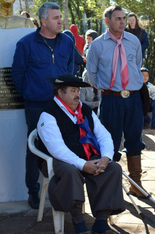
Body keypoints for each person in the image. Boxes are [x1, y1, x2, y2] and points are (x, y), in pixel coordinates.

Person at [37, 74, 125, 234]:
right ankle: (78, 223)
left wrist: (106, 158)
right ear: (60, 93)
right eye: (72, 91)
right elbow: (56, 149)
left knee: (113, 169)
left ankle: (101, 222)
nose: (77, 94)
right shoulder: (48, 114)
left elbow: (103, 135)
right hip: (59, 160)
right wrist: (83, 165)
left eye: (77, 90)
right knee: (71, 173)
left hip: (87, 156)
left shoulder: (85, 110)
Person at [11, 2, 74, 209]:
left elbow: (70, 71)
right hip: (36, 105)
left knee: (66, 144)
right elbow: (18, 75)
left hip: (62, 105)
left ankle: (64, 190)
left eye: (60, 17)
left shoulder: (66, 42)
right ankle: (33, 191)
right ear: (43, 21)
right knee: (35, 146)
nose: (60, 21)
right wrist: (30, 94)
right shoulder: (26, 44)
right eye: (55, 18)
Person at [86, 5, 147, 198]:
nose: (122, 22)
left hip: (133, 98)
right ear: (107, 21)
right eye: (118, 19)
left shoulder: (133, 41)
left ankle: (136, 184)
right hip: (111, 99)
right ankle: (110, 187)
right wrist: (108, 88)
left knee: (135, 139)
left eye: (123, 18)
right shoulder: (97, 45)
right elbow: (91, 74)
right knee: (109, 142)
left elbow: (136, 65)